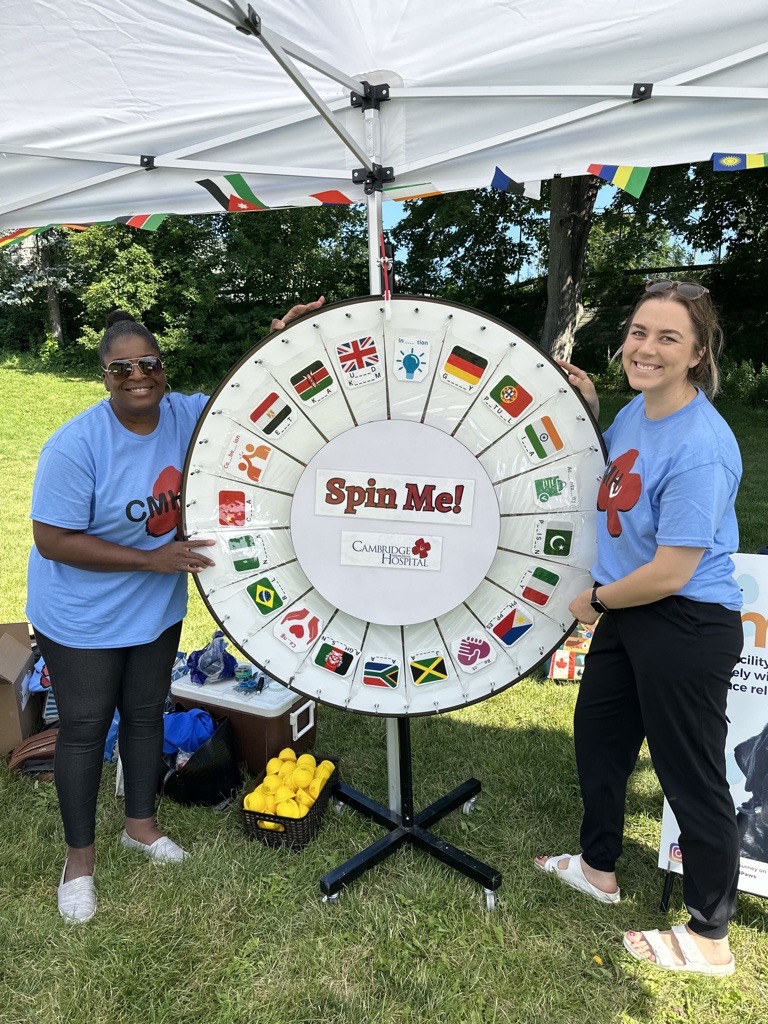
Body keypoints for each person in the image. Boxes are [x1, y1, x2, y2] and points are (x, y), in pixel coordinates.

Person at [28, 298, 324, 923]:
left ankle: (141, 826)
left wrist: (281, 339)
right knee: (84, 730)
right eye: (121, 369)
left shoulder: (184, 414)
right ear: (103, 376)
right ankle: (78, 861)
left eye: (149, 364)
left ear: (162, 368)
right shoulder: (75, 445)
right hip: (81, 615)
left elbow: (238, 394)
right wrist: (151, 561)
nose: (138, 376)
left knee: (143, 716)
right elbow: (52, 539)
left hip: (153, 610)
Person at [535, 280, 743, 976]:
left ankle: (710, 938)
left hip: (682, 622)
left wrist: (596, 600)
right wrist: (592, 407)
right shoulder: (636, 412)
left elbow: (673, 569)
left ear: (698, 353)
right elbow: (615, 474)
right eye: (639, 332)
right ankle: (599, 870)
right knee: (600, 740)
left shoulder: (702, 446)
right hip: (631, 611)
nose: (646, 348)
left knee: (692, 779)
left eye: (668, 338)